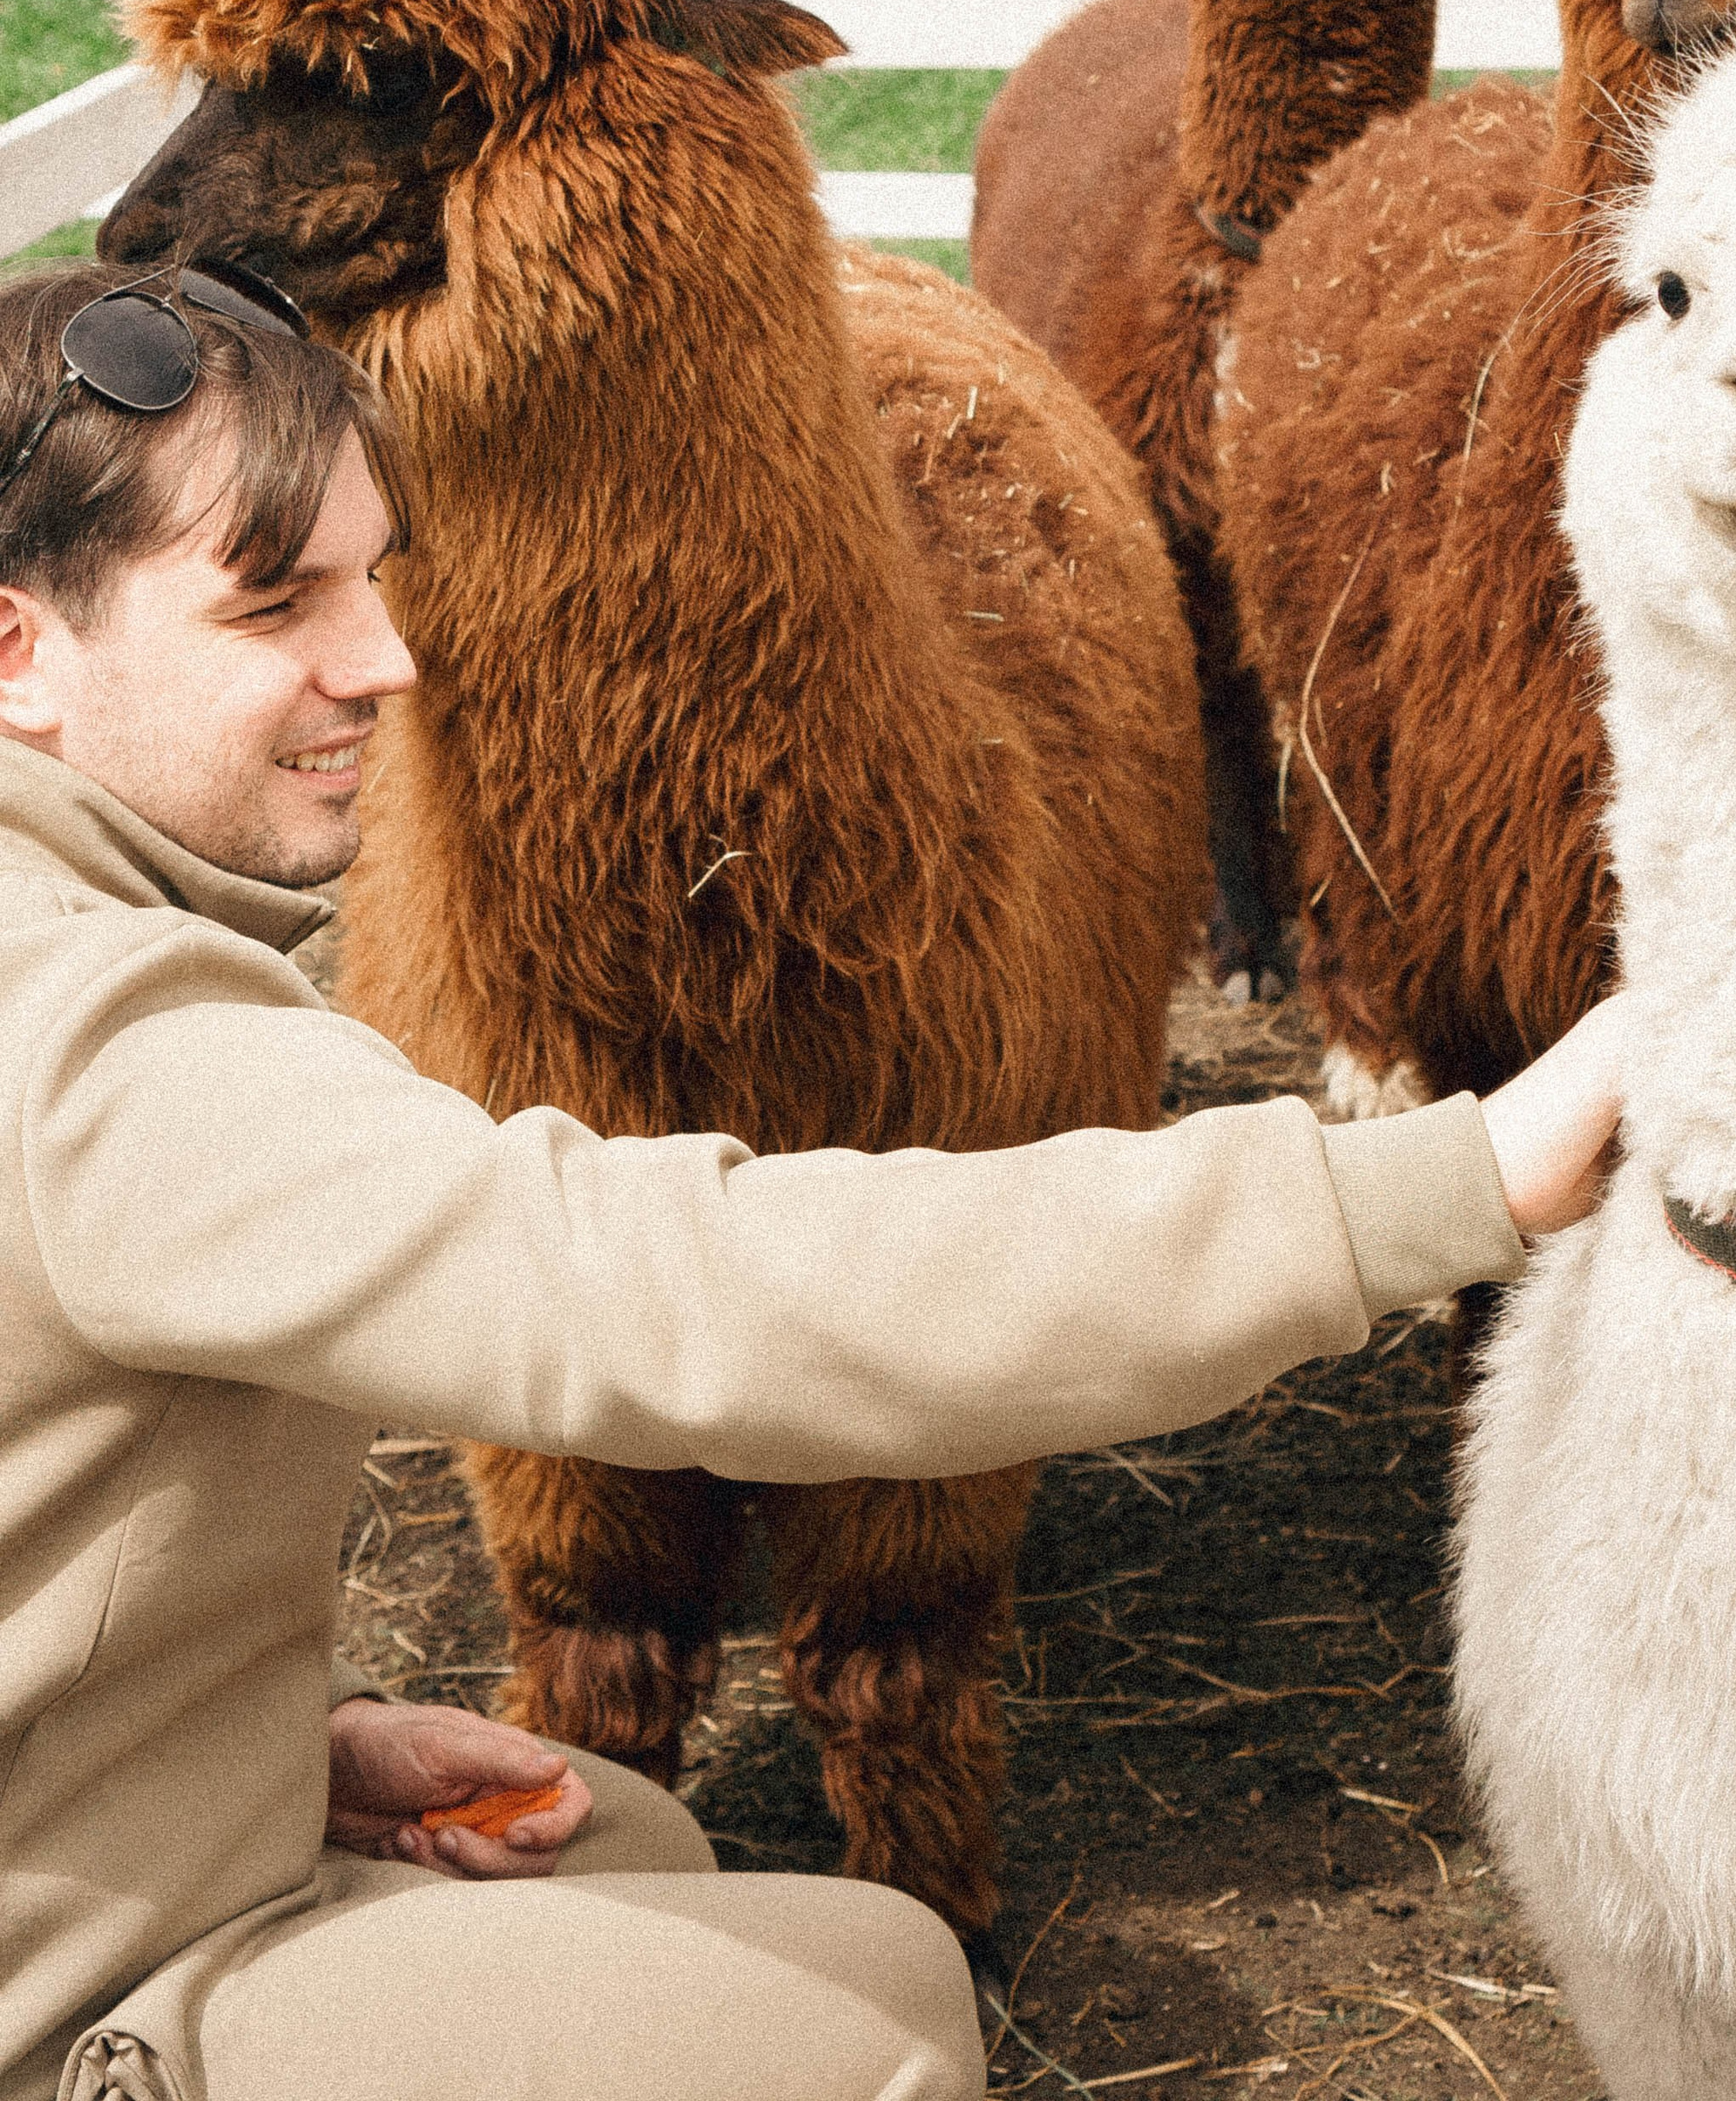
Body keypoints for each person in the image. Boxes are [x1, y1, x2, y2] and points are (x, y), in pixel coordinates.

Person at [0, 264, 1625, 2101]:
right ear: (18, 655)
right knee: (865, 2022)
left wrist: (263, 1754)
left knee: (624, 1844)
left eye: (376, 577)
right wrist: (1444, 1180)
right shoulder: (107, 1050)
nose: (386, 657)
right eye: (276, 602)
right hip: (65, 2009)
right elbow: (683, 1288)